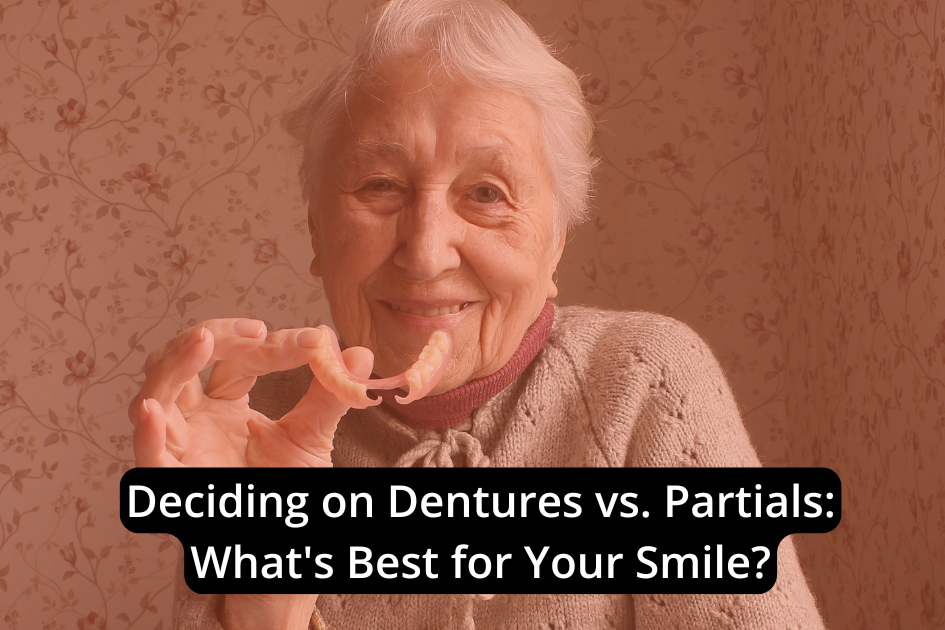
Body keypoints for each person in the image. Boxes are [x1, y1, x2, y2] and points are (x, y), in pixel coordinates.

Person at [128, 0, 827, 628]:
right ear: (317, 229)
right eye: (380, 184)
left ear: (555, 240)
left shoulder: (643, 380)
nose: (426, 252)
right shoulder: (259, 418)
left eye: (487, 193)